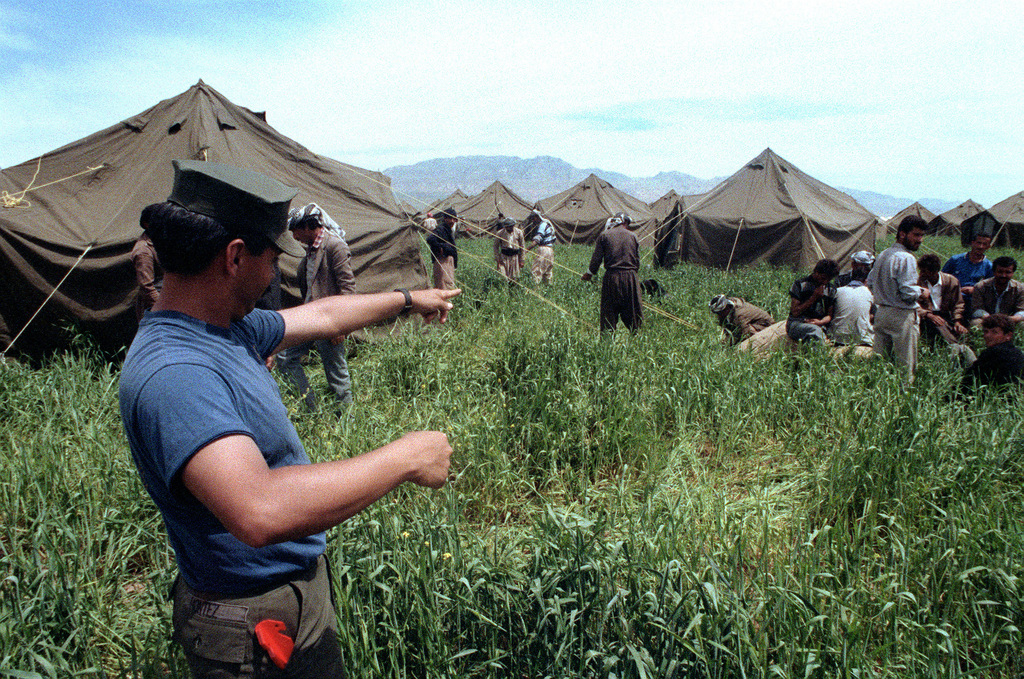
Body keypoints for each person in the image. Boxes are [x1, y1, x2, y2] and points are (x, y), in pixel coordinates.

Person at [119, 160, 459, 678]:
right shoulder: (177, 370)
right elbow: (259, 510)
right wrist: (407, 458)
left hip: (287, 598)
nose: (275, 272)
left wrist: (410, 298)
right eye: (272, 257)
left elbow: (322, 316)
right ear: (235, 257)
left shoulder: (223, 328)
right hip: (247, 623)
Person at [275, 203, 355, 411]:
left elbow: (348, 289)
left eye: (296, 230)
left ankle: (346, 421)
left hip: (330, 320)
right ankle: (311, 408)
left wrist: (342, 326)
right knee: (285, 357)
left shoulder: (334, 246)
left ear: (308, 226)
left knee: (336, 372)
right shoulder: (311, 250)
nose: (294, 236)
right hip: (311, 317)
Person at [866, 215, 927, 379]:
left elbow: (870, 282)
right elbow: (908, 293)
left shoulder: (884, 254)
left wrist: (885, 294)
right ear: (902, 234)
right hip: (901, 315)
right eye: (916, 235)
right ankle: (903, 399)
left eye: (921, 235)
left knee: (880, 363)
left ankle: (878, 396)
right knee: (905, 365)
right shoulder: (907, 258)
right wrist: (921, 292)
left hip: (882, 312)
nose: (920, 240)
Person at [581, 212, 642, 332]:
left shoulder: (604, 235)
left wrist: (589, 274)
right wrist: (632, 276)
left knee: (609, 314)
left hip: (612, 277)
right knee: (633, 313)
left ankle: (607, 343)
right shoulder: (633, 236)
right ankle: (637, 340)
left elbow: (596, 260)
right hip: (631, 277)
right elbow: (637, 261)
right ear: (624, 222)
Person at [960, 313, 1024, 393]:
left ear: (1008, 335)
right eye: (986, 331)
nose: (987, 335)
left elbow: (968, 382)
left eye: (994, 332)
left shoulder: (992, 353)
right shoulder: (1019, 353)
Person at [786, 259, 839, 343]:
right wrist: (813, 298)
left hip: (819, 324)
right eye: (823, 278)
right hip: (798, 323)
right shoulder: (800, 285)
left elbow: (829, 315)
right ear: (816, 272)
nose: (825, 282)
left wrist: (820, 322)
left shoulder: (831, 290)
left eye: (828, 280)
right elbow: (795, 312)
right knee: (815, 331)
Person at [942, 233, 993, 309]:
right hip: (953, 298)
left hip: (974, 300)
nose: (980, 246)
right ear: (972, 243)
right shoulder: (955, 260)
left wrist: (975, 290)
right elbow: (942, 278)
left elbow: (990, 287)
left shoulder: (989, 266)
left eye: (984, 244)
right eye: (978, 243)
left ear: (988, 247)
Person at [969, 256, 1024, 327]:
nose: (1003, 275)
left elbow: (1022, 311)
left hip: (1010, 321)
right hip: (987, 320)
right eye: (1000, 272)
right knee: (975, 323)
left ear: (1013, 273)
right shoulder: (980, 286)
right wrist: (992, 319)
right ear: (994, 272)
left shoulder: (1020, 288)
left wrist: (1008, 319)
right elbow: (976, 309)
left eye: (1008, 272)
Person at [131, 204, 164, 321]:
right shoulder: (143, 251)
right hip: (155, 309)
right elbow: (147, 287)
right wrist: (164, 310)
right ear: (147, 224)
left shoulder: (161, 239)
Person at [829, 265, 874, 348]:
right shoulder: (870, 293)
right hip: (862, 338)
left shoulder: (837, 291)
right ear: (866, 280)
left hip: (837, 337)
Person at [708, 295, 774, 346]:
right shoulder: (731, 302)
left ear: (726, 308)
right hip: (750, 322)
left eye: (720, 313)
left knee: (746, 333)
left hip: (765, 325)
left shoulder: (739, 315)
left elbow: (745, 333)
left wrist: (733, 344)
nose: (719, 315)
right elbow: (724, 324)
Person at [426, 208, 458, 289]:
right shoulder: (441, 229)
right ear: (445, 218)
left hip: (448, 261)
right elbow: (430, 239)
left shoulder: (448, 230)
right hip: (443, 261)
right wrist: (441, 247)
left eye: (454, 219)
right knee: (444, 286)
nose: (452, 221)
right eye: (450, 218)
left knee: (448, 285)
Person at [525, 209, 556, 284]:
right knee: (547, 271)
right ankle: (548, 288)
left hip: (543, 249)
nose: (532, 220)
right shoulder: (548, 224)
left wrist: (526, 250)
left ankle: (535, 289)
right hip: (550, 249)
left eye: (533, 218)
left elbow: (537, 240)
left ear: (537, 217)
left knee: (537, 270)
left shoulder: (542, 225)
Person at [493, 217, 525, 282]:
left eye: (511, 226)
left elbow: (522, 247)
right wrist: (498, 258)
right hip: (504, 256)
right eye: (507, 227)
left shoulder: (519, 232)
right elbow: (495, 246)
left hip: (515, 257)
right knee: (503, 276)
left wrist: (522, 260)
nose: (509, 228)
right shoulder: (500, 233)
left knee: (514, 277)